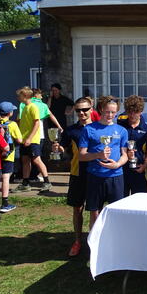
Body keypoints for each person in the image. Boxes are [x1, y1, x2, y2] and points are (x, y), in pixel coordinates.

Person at [78, 95, 128, 229]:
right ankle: (94, 245)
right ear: (100, 109)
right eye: (107, 111)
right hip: (95, 176)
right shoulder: (89, 129)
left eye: (113, 112)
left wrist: (117, 164)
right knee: (95, 213)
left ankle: (114, 244)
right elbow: (81, 156)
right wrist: (98, 155)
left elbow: (125, 155)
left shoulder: (122, 130)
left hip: (115, 176)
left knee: (116, 213)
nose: (110, 115)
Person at [52, 97, 93, 256]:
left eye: (85, 109)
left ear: (91, 109)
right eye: (78, 110)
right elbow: (64, 149)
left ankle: (93, 241)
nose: (82, 113)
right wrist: (58, 148)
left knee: (95, 210)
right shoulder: (70, 130)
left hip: (95, 174)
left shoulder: (98, 128)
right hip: (77, 173)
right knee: (77, 208)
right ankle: (77, 241)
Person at [13, 87, 53, 192]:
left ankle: (47, 182)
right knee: (25, 160)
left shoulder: (33, 107)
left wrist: (30, 138)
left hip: (32, 140)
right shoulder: (25, 107)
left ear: (25, 96)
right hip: (24, 139)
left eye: (19, 95)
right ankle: (25, 183)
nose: (18, 97)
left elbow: (37, 123)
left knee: (36, 160)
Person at [117, 95, 147, 195]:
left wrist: (145, 165)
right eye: (129, 112)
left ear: (140, 112)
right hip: (122, 170)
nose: (132, 115)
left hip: (139, 170)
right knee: (121, 203)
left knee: (140, 204)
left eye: (135, 112)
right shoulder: (119, 127)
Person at [0, 102, 22, 213]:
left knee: (0, 176)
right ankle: (5, 203)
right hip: (8, 155)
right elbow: (19, 140)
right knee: (6, 177)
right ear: (10, 113)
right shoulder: (12, 124)